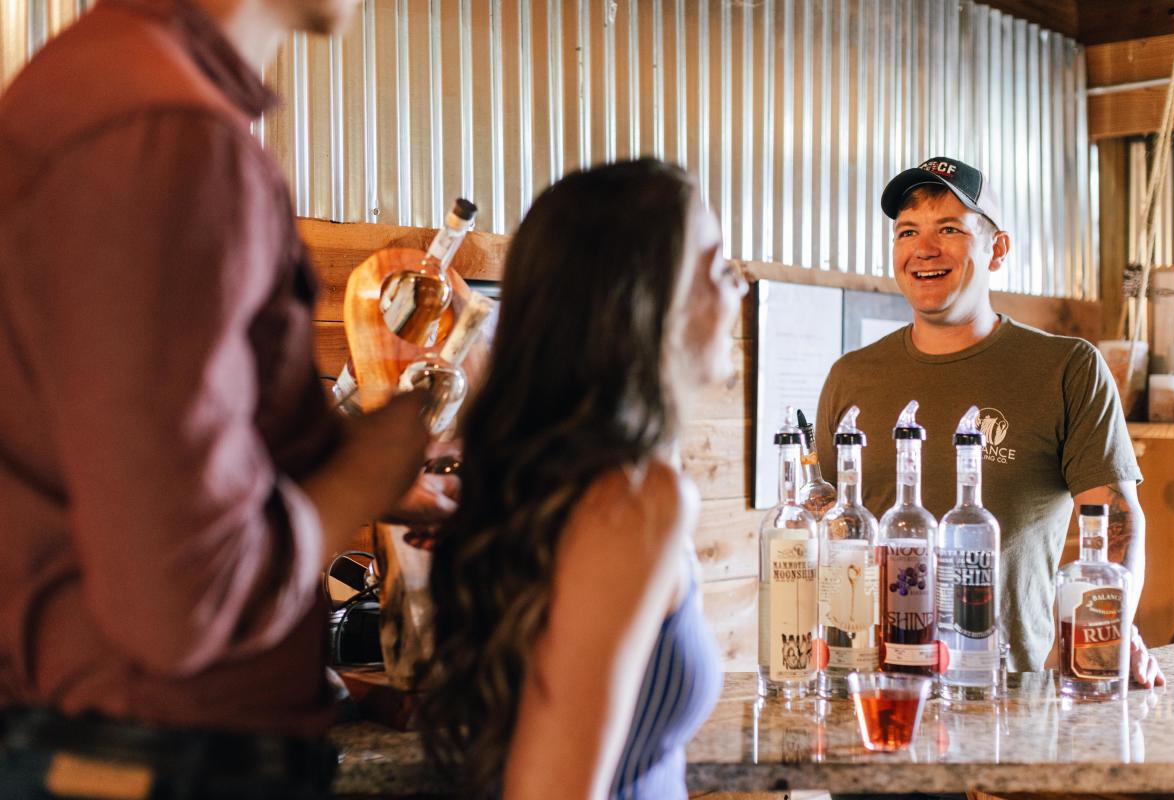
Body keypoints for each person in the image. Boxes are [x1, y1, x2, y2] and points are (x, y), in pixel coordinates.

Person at [0, 0, 449, 796]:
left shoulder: (106, 94)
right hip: (151, 759)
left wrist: (358, 477)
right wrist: (367, 469)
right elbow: (184, 598)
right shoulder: (165, 135)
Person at [417, 158, 746, 799]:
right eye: (720, 269)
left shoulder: (574, 476)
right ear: (654, 304)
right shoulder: (631, 497)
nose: (738, 292)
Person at [816, 156, 1164, 687]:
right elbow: (829, 519)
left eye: (949, 228)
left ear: (996, 249)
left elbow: (1114, 519)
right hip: (868, 686)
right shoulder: (850, 377)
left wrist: (1108, 629)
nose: (923, 248)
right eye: (907, 231)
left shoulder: (1066, 367)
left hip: (1010, 693)